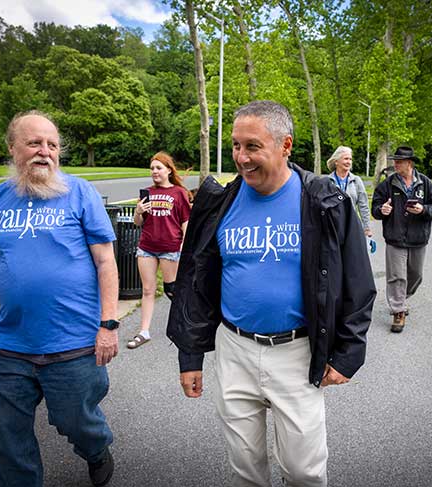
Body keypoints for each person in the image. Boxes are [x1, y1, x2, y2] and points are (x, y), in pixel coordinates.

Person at [167, 100, 376, 486]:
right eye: (235, 146)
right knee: (245, 467)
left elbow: (358, 283)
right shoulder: (219, 202)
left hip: (297, 353)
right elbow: (194, 284)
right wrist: (190, 354)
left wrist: (348, 354)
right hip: (234, 350)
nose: (241, 158)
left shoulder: (324, 201)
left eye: (252, 147)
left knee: (303, 470)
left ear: (285, 145)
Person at [0, 110, 119, 487]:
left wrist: (108, 324)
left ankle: (96, 448)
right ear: (12, 148)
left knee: (78, 422)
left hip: (72, 344)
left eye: (52, 144)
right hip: (9, 347)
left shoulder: (80, 193)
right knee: (8, 443)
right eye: (34, 142)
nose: (45, 151)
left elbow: (106, 261)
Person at [371, 146, 432, 333]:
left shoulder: (425, 183)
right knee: (397, 276)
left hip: (418, 238)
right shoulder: (387, 185)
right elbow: (376, 208)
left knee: (415, 275)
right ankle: (398, 311)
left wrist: (423, 210)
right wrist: (382, 211)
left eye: (399, 161)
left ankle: (401, 299)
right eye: (395, 161)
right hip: (395, 238)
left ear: (409, 163)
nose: (395, 164)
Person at [128, 152, 191, 349]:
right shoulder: (146, 193)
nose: (154, 171)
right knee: (148, 290)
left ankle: (186, 325)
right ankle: (143, 332)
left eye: (158, 168)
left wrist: (184, 245)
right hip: (147, 247)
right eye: (152, 168)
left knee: (172, 290)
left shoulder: (179, 193)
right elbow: (138, 223)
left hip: (170, 248)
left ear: (169, 171)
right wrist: (138, 211)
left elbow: (185, 221)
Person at [326, 146, 373, 237]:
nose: (349, 162)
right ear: (336, 161)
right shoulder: (328, 181)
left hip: (352, 225)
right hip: (333, 227)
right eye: (346, 159)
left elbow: (363, 206)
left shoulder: (356, 180)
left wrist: (367, 228)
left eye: (350, 159)